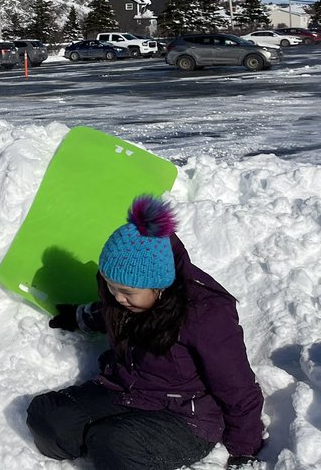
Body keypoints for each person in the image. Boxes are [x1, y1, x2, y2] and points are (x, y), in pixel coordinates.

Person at [27, 195, 265, 470]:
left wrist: (245, 450)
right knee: (48, 418)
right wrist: (79, 317)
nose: (117, 297)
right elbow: (108, 311)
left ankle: (112, 441)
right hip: (126, 389)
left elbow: (237, 387)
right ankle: (108, 440)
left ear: (159, 286)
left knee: (112, 442)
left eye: (126, 292)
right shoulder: (126, 294)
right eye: (110, 287)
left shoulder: (205, 317)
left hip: (185, 418)